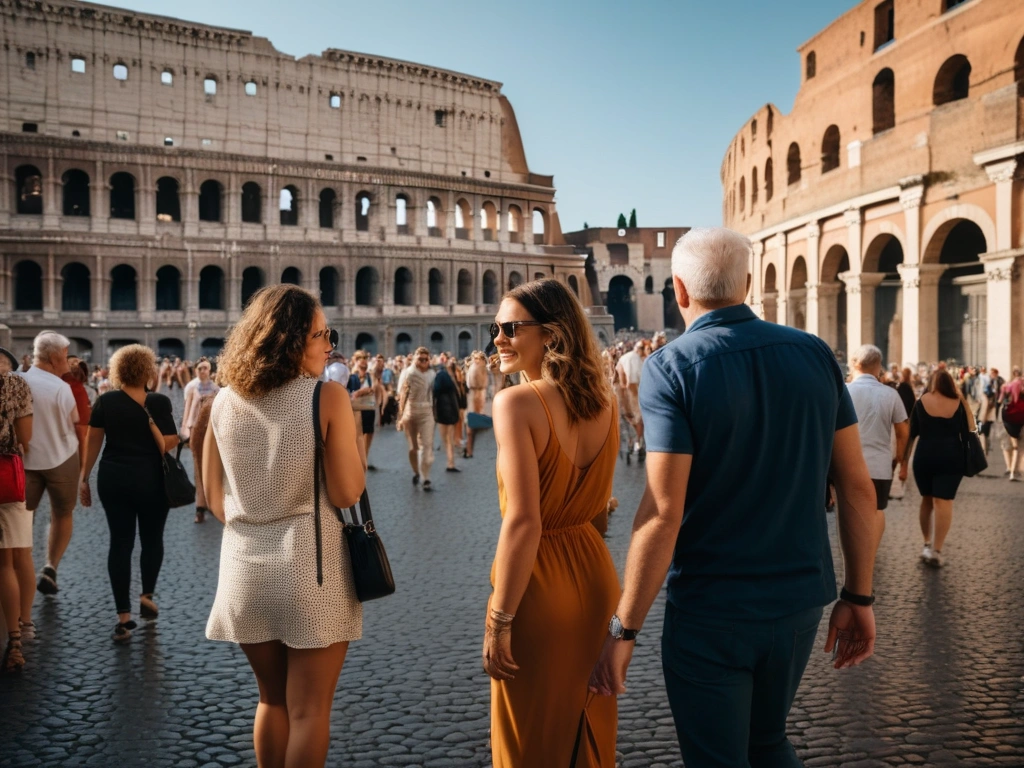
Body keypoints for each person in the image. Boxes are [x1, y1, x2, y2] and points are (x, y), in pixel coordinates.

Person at [588, 228, 882, 768]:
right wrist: (859, 596)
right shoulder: (816, 354)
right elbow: (859, 489)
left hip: (711, 611)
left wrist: (623, 629)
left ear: (678, 290)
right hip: (798, 603)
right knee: (768, 743)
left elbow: (661, 511)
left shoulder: (670, 367)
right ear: (748, 284)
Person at [203, 285, 365, 768]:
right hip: (308, 569)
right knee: (309, 710)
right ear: (291, 340)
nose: (328, 345)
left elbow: (214, 499)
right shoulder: (326, 397)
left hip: (243, 568)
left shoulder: (224, 401)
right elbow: (346, 493)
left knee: (270, 700)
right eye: (320, 334)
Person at [484, 279, 620, 767]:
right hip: (596, 576)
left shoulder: (515, 403)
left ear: (552, 333)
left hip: (538, 588)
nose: (497, 338)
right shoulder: (606, 400)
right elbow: (601, 511)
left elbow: (523, 521)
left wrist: (500, 621)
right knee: (589, 726)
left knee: (529, 743)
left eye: (511, 328)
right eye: (495, 327)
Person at [78, 345, 179, 642]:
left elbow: (92, 443)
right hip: (151, 479)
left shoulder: (106, 401)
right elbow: (170, 442)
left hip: (114, 479)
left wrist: (84, 479)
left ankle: (123, 617)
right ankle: (146, 594)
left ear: (117, 371)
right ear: (148, 370)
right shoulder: (158, 402)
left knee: (120, 543)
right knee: (152, 539)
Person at [17, 332, 80, 597]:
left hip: (25, 462)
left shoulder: (18, 381)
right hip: (61, 458)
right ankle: (51, 567)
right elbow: (75, 422)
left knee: (21, 517)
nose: (68, 362)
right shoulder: (61, 389)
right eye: (66, 356)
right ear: (54, 358)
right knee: (62, 513)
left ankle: (19, 567)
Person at [903, 369, 975, 567]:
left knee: (926, 500)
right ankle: (937, 549)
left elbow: (911, 434)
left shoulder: (921, 401)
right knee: (944, 502)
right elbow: (969, 429)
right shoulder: (959, 402)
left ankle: (926, 543)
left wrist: (902, 464)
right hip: (952, 457)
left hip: (925, 456)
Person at [0, 346, 34, 671]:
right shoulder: (16, 385)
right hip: (8, 476)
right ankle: (15, 641)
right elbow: (26, 435)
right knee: (9, 560)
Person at [846, 345, 909, 513]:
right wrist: (900, 461)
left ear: (855, 365)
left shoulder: (843, 392)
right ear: (879, 366)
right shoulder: (891, 394)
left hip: (847, 467)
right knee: (876, 513)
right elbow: (903, 433)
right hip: (879, 466)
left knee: (849, 518)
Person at [181, 359, 220, 523]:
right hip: (196, 430)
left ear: (210, 370)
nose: (202, 371)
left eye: (205, 368)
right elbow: (187, 410)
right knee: (198, 469)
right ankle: (200, 508)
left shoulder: (216, 388)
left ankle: (212, 503)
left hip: (212, 431)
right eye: (199, 368)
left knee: (213, 468)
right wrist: (184, 431)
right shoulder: (191, 387)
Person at [397, 347, 436, 491]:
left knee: (427, 445)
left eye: (426, 359)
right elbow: (401, 395)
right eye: (421, 359)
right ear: (415, 359)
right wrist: (400, 417)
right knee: (413, 448)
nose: (424, 362)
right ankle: (416, 471)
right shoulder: (407, 373)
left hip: (427, 411)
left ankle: (426, 477)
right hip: (410, 411)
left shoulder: (432, 374)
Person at [433, 360, 461, 473]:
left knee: (445, 439)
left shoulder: (437, 382)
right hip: (452, 413)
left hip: (441, 414)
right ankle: (451, 462)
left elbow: (434, 393)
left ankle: (449, 461)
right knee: (450, 440)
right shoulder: (451, 385)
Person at [999, 367, 1024, 481]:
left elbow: (1000, 400)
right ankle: (1015, 471)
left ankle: (1012, 470)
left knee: (1014, 446)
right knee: (1018, 447)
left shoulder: (1007, 386)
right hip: (1020, 418)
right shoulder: (1022, 385)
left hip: (1008, 419)